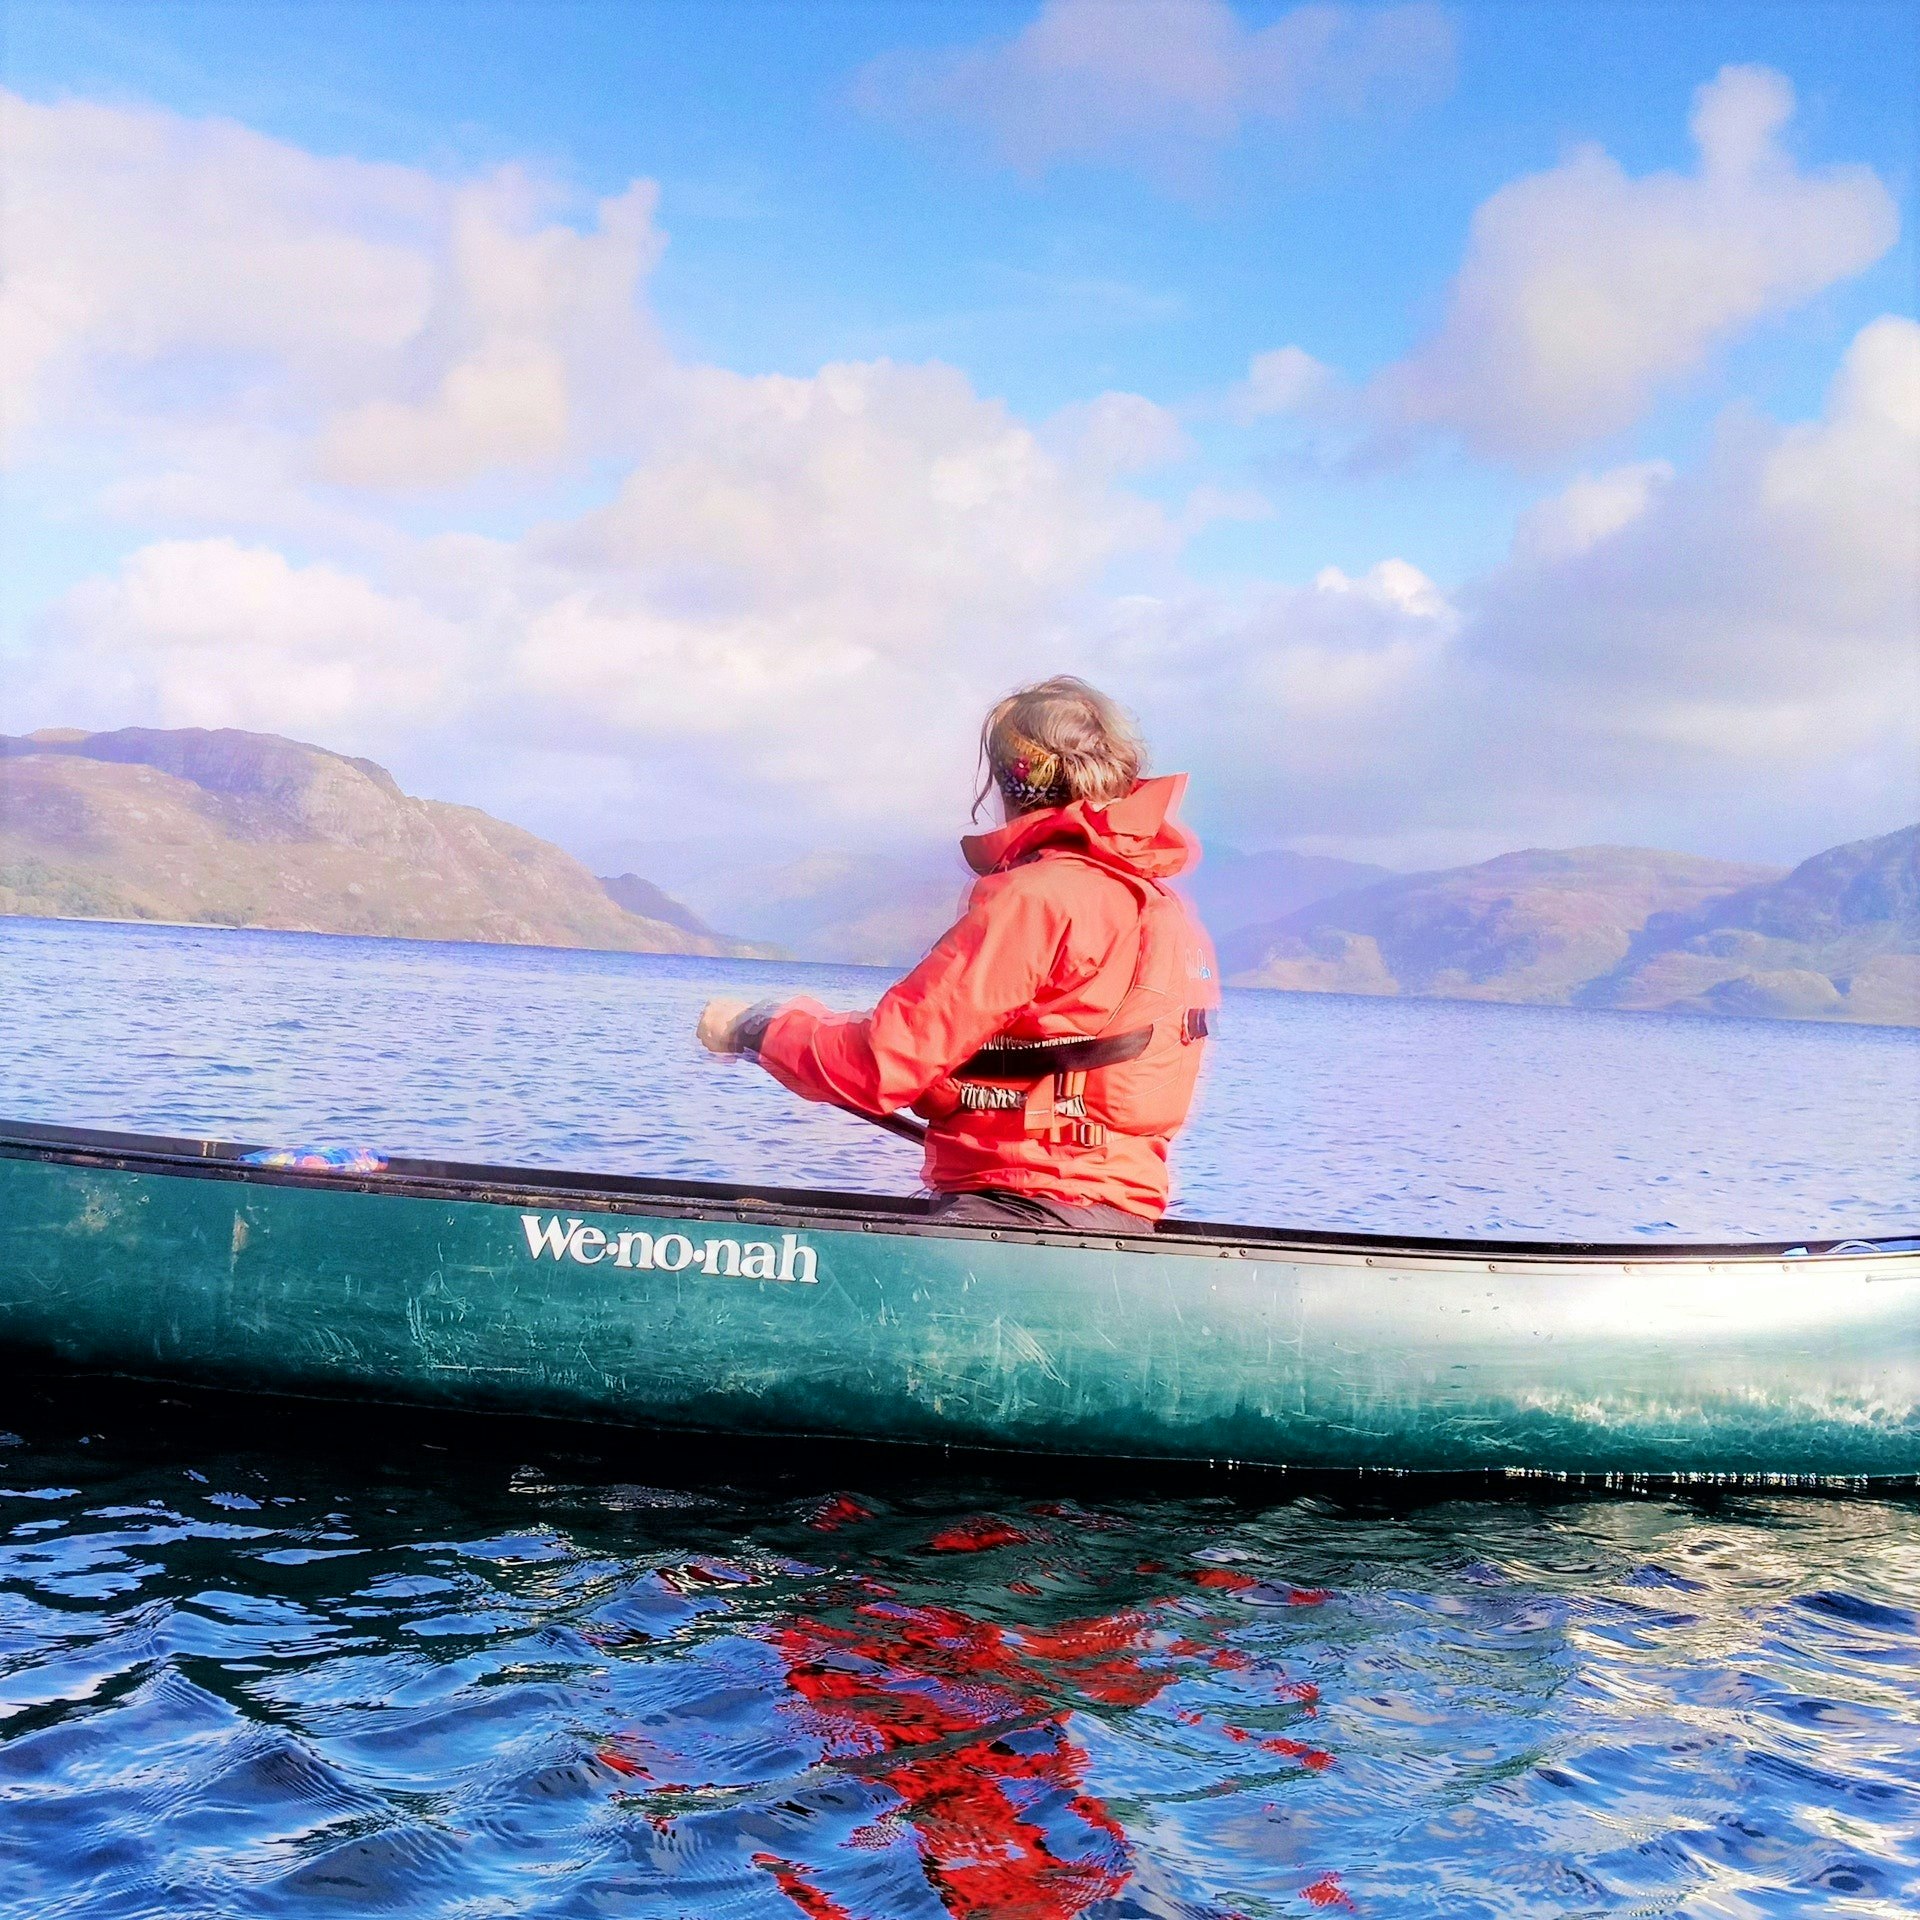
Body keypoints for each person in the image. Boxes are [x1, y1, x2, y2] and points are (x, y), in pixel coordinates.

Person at [696, 677, 1217, 1231]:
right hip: (1120, 1218)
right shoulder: (1164, 910)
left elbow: (883, 1063)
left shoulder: (1038, 898)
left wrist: (756, 1029)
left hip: (1021, 1209)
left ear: (1013, 779)